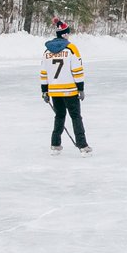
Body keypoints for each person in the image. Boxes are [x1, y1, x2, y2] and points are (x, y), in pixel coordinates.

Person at [41, 18, 91, 155]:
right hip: (69, 90)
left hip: (55, 91)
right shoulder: (71, 48)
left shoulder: (46, 52)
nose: (69, 36)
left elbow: (44, 73)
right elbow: (77, 70)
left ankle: (55, 145)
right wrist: (80, 88)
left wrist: (44, 91)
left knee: (59, 116)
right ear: (64, 34)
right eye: (68, 33)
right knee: (76, 117)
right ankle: (83, 146)